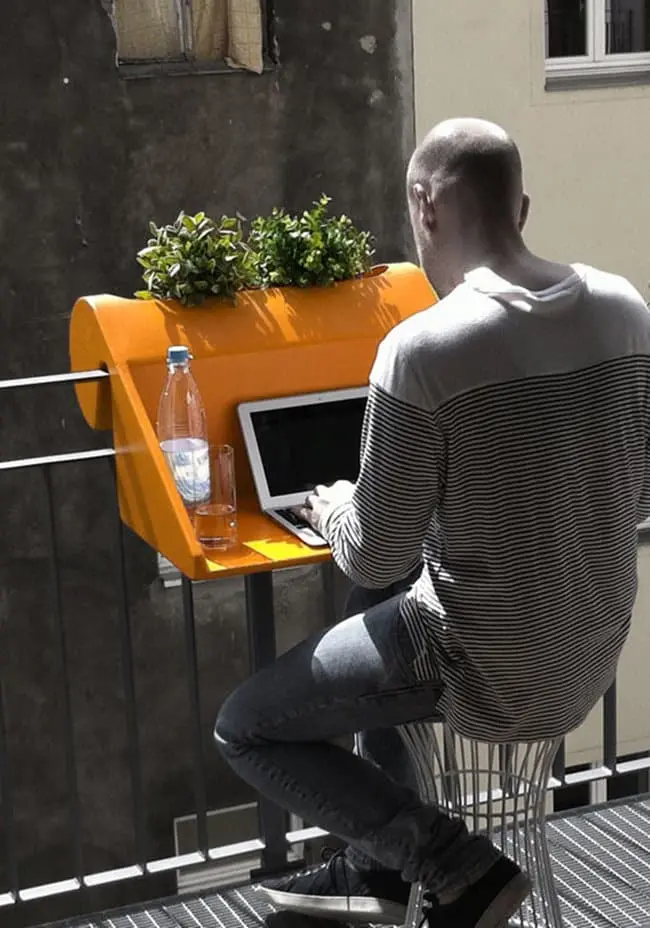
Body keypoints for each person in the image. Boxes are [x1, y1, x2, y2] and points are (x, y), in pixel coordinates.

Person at [215, 117, 650, 928]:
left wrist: (335, 502)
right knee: (370, 617)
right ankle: (379, 869)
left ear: (424, 205)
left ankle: (453, 866)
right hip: (587, 651)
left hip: (484, 667)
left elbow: (371, 549)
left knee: (245, 727)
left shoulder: (422, 350)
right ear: (520, 208)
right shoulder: (625, 310)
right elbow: (643, 490)